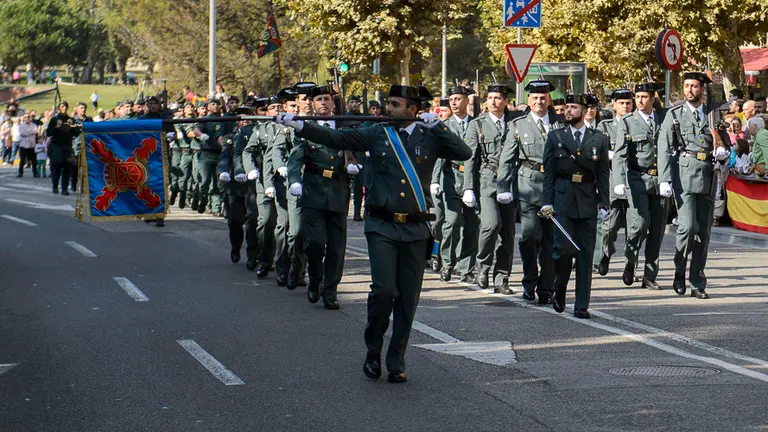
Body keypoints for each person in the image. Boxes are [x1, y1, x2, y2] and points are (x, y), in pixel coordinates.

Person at [275, 84, 471, 383]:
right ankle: (373, 348)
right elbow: (335, 136)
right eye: (388, 103)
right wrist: (301, 125)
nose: (386, 108)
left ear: (413, 110)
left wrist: (439, 126)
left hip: (417, 227)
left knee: (408, 297)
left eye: (394, 104)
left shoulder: (429, 135)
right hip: (382, 225)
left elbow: (463, 152)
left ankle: (397, 358)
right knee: (383, 291)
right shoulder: (377, 132)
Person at [658, 71, 729, 299]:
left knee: (703, 233)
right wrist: (664, 179)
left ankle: (697, 281)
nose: (690, 90)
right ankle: (679, 270)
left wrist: (722, 153)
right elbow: (664, 147)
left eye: (695, 86)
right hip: (684, 175)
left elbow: (725, 146)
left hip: (708, 177)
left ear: (702, 90)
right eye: (687, 85)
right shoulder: (675, 114)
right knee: (687, 228)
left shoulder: (712, 115)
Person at [541, 94, 611, 319]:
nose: (567, 111)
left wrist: (604, 202)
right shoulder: (555, 137)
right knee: (562, 250)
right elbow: (549, 173)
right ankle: (559, 286)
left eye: (573, 107)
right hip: (562, 200)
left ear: (585, 110)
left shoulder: (598, 138)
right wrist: (547, 201)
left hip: (588, 200)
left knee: (585, 255)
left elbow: (602, 174)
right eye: (567, 107)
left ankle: (581, 304)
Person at [286, 84, 354, 310]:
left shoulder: (345, 127)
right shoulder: (305, 128)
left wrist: (357, 164)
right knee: (315, 243)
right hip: (314, 190)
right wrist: (294, 180)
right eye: (319, 100)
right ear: (313, 105)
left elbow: (360, 149)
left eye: (326, 99)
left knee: (336, 246)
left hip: (338, 189)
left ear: (333, 103)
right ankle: (315, 275)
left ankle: (330, 290)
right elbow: (295, 158)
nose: (323, 103)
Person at [498, 80, 564, 304]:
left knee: (550, 241)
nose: (539, 101)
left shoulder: (560, 124)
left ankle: (546, 288)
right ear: (528, 100)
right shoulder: (517, 125)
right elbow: (507, 159)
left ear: (549, 99)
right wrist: (503, 187)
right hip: (528, 186)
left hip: (554, 188)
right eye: (535, 97)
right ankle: (529, 281)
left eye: (543, 97)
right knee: (530, 237)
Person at [462, 84, 521, 292]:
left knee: (508, 232)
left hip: (511, 181)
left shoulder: (516, 123)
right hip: (487, 180)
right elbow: (470, 158)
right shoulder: (477, 125)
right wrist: (468, 187)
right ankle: (482, 266)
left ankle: (502, 278)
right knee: (490, 225)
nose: (493, 102)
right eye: (490, 97)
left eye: (497, 98)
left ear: (506, 101)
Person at [612, 82, 668, 290]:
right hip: (637, 179)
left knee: (657, 229)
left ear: (653, 98)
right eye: (638, 97)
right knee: (639, 224)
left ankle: (650, 275)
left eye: (645, 97)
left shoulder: (663, 118)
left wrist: (668, 179)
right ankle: (630, 260)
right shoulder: (628, 121)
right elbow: (619, 154)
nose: (640, 101)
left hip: (660, 180)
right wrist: (618, 181)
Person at [432, 86, 477, 283]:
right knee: (452, 222)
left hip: (473, 181)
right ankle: (447, 263)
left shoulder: (477, 124)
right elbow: (439, 156)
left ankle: (465, 267)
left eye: (458, 98)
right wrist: (434, 180)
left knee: (472, 226)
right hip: (451, 179)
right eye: (452, 99)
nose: (454, 102)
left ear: (467, 101)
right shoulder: (445, 126)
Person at [594, 89, 633, 276]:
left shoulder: (637, 124)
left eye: (628, 103)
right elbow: (597, 147)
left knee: (635, 228)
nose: (625, 106)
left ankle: (630, 265)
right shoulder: (605, 126)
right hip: (612, 180)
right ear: (614, 105)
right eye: (621, 103)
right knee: (609, 226)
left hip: (633, 179)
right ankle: (605, 254)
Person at [218, 114, 260, 267]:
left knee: (252, 220)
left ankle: (253, 255)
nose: (246, 121)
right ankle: (235, 247)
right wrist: (223, 171)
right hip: (235, 186)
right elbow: (224, 158)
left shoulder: (260, 135)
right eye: (243, 119)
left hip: (253, 185)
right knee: (235, 221)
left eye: (249, 118)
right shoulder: (230, 138)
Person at [194, 99, 226, 216]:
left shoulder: (224, 120)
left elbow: (223, 136)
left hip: (220, 155)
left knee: (218, 183)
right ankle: (203, 199)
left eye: (217, 104)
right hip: (206, 155)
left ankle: (216, 208)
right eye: (213, 104)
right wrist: (201, 135)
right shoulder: (205, 120)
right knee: (205, 181)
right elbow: (196, 129)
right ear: (208, 107)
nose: (216, 106)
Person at [46, 101, 80, 195]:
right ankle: (55, 186)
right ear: (59, 108)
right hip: (57, 146)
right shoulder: (54, 119)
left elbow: (76, 132)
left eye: (65, 106)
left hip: (68, 146)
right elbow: (49, 132)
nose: (64, 108)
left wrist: (73, 127)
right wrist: (58, 127)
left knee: (67, 167)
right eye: (62, 106)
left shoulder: (70, 120)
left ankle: (64, 188)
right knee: (56, 166)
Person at [70, 102, 93, 193]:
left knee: (85, 169)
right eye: (81, 108)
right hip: (75, 147)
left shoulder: (89, 120)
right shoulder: (72, 120)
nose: (83, 110)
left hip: (86, 147)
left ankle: (83, 187)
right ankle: (73, 184)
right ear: (77, 109)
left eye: (84, 108)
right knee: (75, 168)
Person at [17, 113, 39, 177]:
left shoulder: (34, 125)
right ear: (23, 118)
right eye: (25, 117)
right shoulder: (21, 125)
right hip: (23, 145)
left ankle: (35, 173)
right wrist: (30, 132)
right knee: (22, 160)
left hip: (31, 145)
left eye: (28, 117)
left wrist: (27, 132)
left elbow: (35, 131)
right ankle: (20, 173)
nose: (27, 118)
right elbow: (22, 133)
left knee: (34, 161)